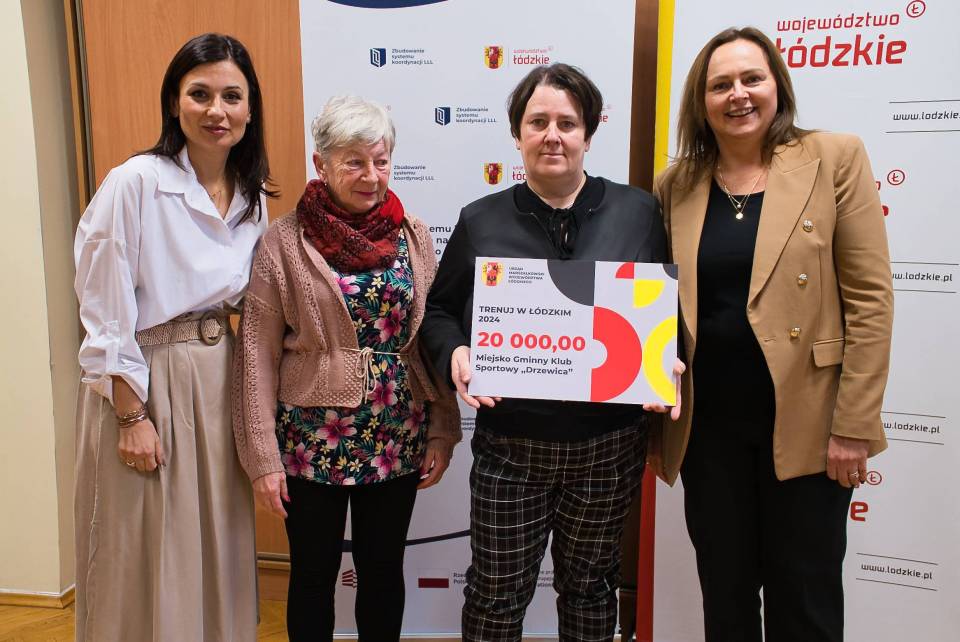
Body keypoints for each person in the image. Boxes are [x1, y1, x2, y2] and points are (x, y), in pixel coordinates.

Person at [651, 26, 893, 642]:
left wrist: (854, 425)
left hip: (811, 426)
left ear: (777, 86)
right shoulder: (676, 185)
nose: (738, 94)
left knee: (805, 601)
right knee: (725, 601)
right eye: (720, 85)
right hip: (708, 433)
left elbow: (870, 300)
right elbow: (658, 307)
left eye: (751, 78)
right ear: (701, 101)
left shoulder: (834, 157)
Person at [421, 63, 678, 642]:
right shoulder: (480, 219)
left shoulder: (639, 213)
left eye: (567, 123)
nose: (552, 136)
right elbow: (439, 312)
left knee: (591, 589)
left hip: (608, 445)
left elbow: (666, 311)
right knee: (494, 595)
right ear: (517, 134)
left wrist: (669, 358)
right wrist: (455, 351)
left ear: (589, 132)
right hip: (511, 446)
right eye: (538, 122)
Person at [232, 95, 461, 642]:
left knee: (382, 572)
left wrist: (443, 428)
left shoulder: (414, 236)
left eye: (380, 161)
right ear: (322, 164)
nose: (371, 176)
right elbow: (256, 356)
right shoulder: (283, 242)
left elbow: (431, 337)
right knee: (313, 576)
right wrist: (262, 458)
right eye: (354, 162)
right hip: (310, 440)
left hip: (397, 434)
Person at [73, 33, 273, 641]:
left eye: (232, 96)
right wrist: (130, 415)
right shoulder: (135, 181)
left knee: (214, 538)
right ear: (173, 102)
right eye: (200, 94)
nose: (217, 110)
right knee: (144, 543)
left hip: (220, 379)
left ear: (250, 108)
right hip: (147, 378)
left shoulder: (251, 195)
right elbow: (104, 305)